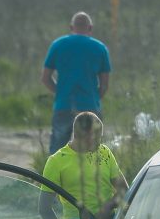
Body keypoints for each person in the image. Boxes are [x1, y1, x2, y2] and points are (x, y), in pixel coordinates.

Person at [38, 112, 128, 219]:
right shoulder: (56, 161)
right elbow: (44, 208)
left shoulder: (105, 152)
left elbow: (124, 190)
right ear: (85, 135)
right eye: (97, 137)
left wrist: (107, 206)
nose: (100, 141)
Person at [41, 11, 111, 155]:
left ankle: (52, 178)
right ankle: (88, 177)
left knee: (58, 151)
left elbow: (45, 78)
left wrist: (60, 92)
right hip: (90, 106)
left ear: (71, 27)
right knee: (91, 152)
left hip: (63, 105)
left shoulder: (58, 45)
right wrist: (95, 98)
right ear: (90, 28)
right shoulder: (100, 48)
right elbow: (104, 85)